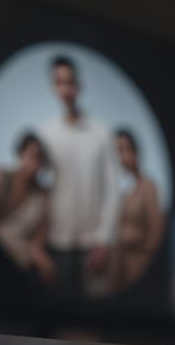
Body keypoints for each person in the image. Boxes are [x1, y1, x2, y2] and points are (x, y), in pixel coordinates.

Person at [37, 54, 122, 297]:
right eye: (59, 82)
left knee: (92, 321)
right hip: (57, 243)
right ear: (54, 87)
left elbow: (113, 189)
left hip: (93, 245)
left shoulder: (102, 132)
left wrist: (104, 239)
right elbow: (40, 187)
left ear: (79, 85)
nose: (66, 88)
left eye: (69, 81)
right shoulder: (46, 134)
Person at [0, 133, 53, 281]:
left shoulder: (41, 195)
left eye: (41, 159)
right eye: (33, 156)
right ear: (21, 153)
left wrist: (41, 259)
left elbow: (38, 241)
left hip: (22, 260)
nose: (36, 164)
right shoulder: (2, 177)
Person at [111, 128, 165, 291]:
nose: (123, 156)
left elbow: (156, 228)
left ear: (135, 152)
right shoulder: (115, 188)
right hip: (114, 263)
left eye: (126, 149)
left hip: (138, 260)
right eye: (118, 151)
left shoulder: (147, 186)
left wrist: (147, 262)